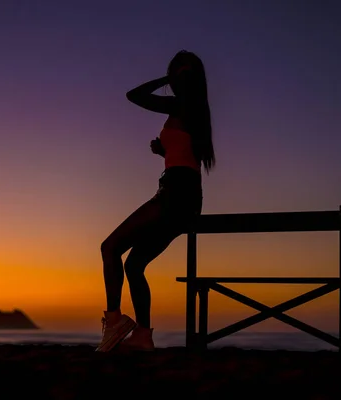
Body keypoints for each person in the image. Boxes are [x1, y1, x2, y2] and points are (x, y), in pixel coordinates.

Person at [96, 50, 216, 352]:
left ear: (191, 79)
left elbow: (134, 95)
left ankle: (115, 320)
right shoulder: (196, 111)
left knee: (110, 248)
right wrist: (163, 152)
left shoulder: (183, 104)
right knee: (135, 265)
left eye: (183, 74)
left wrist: (167, 79)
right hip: (185, 195)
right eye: (176, 73)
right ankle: (143, 336)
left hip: (175, 194)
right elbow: (187, 158)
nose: (179, 80)